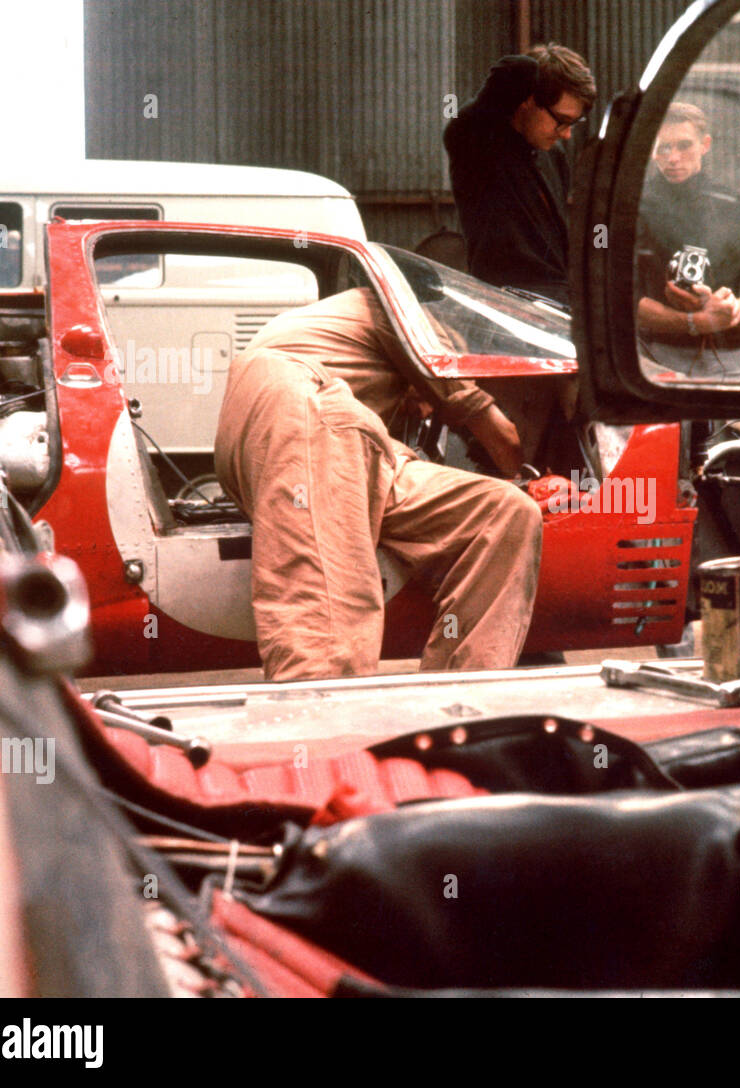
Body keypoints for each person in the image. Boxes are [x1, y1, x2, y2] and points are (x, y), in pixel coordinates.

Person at [214, 287, 542, 682]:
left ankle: (461, 706)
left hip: (337, 431)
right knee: (328, 623)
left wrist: (521, 494)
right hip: (302, 407)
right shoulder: (404, 309)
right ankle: (321, 731)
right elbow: (500, 435)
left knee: (504, 514)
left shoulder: (352, 351)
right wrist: (535, 478)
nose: (424, 412)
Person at [635, 102, 740, 379]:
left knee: (735, 425)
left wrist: (731, 310)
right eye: (663, 147)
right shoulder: (631, 209)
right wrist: (697, 322)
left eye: (684, 145)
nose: (673, 158)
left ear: (705, 144)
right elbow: (618, 302)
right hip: (654, 356)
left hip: (729, 359)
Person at [444, 43, 596, 306]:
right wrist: (538, 70)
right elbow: (514, 70)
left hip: (560, 306)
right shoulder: (477, 144)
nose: (567, 134)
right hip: (507, 308)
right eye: (561, 120)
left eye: (573, 123)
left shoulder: (554, 155)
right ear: (528, 100)